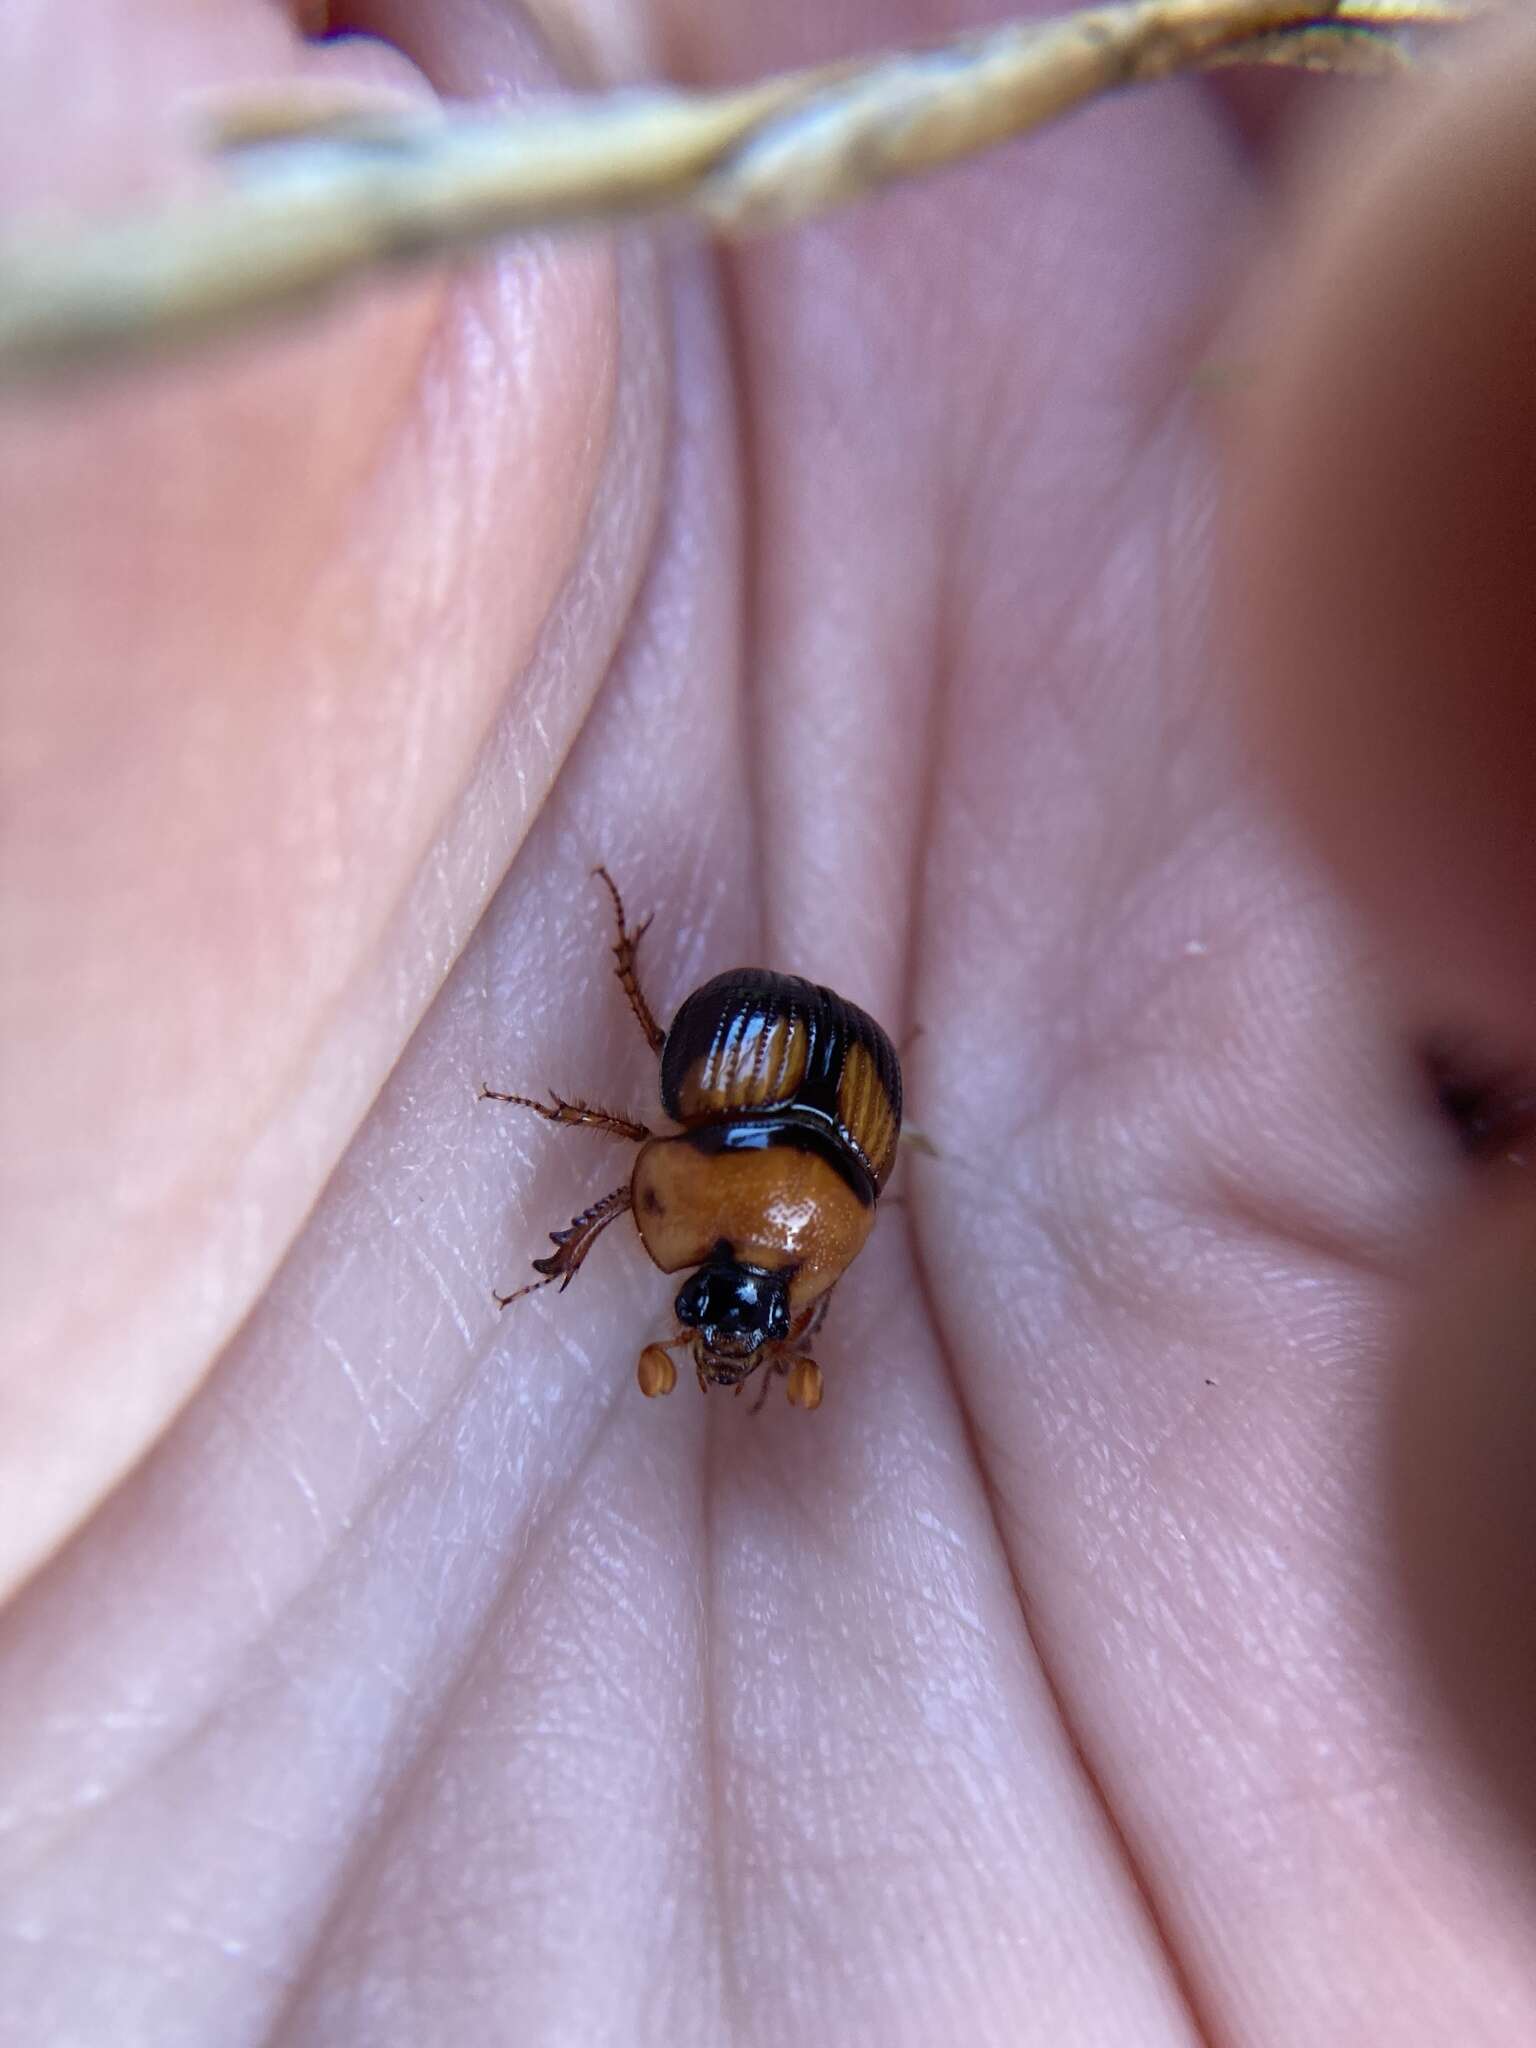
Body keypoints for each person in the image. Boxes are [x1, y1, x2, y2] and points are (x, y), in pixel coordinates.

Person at [2, 2, 1532, 2039]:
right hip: (774, 1086)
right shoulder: (765, 1226)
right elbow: (680, 1184)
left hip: (769, 1077)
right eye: (746, 1321)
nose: (726, 1330)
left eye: (738, 1317)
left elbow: (667, 1173)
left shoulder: (747, 1222)